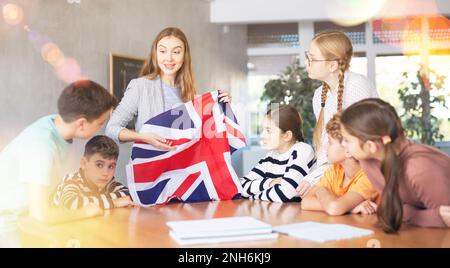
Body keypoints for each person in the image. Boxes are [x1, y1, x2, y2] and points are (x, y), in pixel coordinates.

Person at [0, 80, 117, 246]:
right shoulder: (41, 146)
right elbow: (40, 215)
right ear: (82, 124)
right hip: (9, 227)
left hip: (25, 220)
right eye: (100, 124)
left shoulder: (55, 123)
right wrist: (86, 211)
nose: (100, 129)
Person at [106, 27, 231, 148]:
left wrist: (220, 104)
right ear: (155, 54)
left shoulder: (191, 96)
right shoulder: (140, 87)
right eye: (162, 51)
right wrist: (142, 137)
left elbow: (205, 135)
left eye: (176, 52)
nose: (169, 58)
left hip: (182, 167)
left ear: (184, 56)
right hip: (151, 165)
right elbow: (111, 128)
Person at [340, 98, 450, 232]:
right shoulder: (367, 161)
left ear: (370, 146)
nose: (343, 145)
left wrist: (408, 212)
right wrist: (410, 213)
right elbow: (392, 210)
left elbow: (446, 218)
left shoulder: (419, 168)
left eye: (346, 140)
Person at [296, 30, 379, 198]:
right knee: (305, 195)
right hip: (336, 171)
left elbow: (360, 143)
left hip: (364, 171)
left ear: (332, 65)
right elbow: (327, 144)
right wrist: (317, 176)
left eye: (312, 58)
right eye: (307, 56)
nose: (307, 63)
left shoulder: (356, 86)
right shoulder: (320, 94)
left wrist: (317, 178)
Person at [301, 114, 378, 215]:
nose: (325, 147)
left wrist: (320, 190)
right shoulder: (335, 170)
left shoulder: (368, 176)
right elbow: (305, 202)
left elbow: (334, 209)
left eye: (330, 142)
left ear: (348, 151)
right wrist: (350, 209)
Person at [240, 105, 315, 202]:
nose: (262, 135)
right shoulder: (270, 156)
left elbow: (283, 194)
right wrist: (270, 183)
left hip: (300, 215)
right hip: (275, 213)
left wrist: (252, 196)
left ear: (287, 136)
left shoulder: (303, 151)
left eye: (268, 130)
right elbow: (241, 186)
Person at [53, 135, 134, 211]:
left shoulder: (108, 183)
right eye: (99, 165)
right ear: (84, 164)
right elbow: (71, 203)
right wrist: (113, 203)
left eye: (111, 166)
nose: (105, 173)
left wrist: (94, 202)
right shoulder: (72, 180)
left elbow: (129, 195)